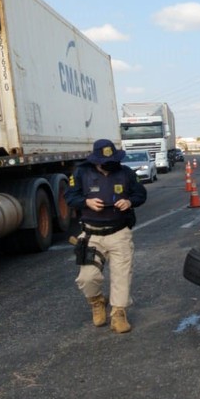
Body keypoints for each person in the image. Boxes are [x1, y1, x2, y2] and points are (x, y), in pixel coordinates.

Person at [65, 139, 147, 334]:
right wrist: (86, 202)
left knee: (121, 276)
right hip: (91, 234)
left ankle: (118, 313)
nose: (109, 165)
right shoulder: (81, 173)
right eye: (104, 161)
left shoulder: (126, 173)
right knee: (87, 277)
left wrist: (129, 201)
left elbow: (140, 194)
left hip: (119, 233)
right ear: (95, 160)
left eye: (112, 160)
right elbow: (70, 197)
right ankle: (97, 301)